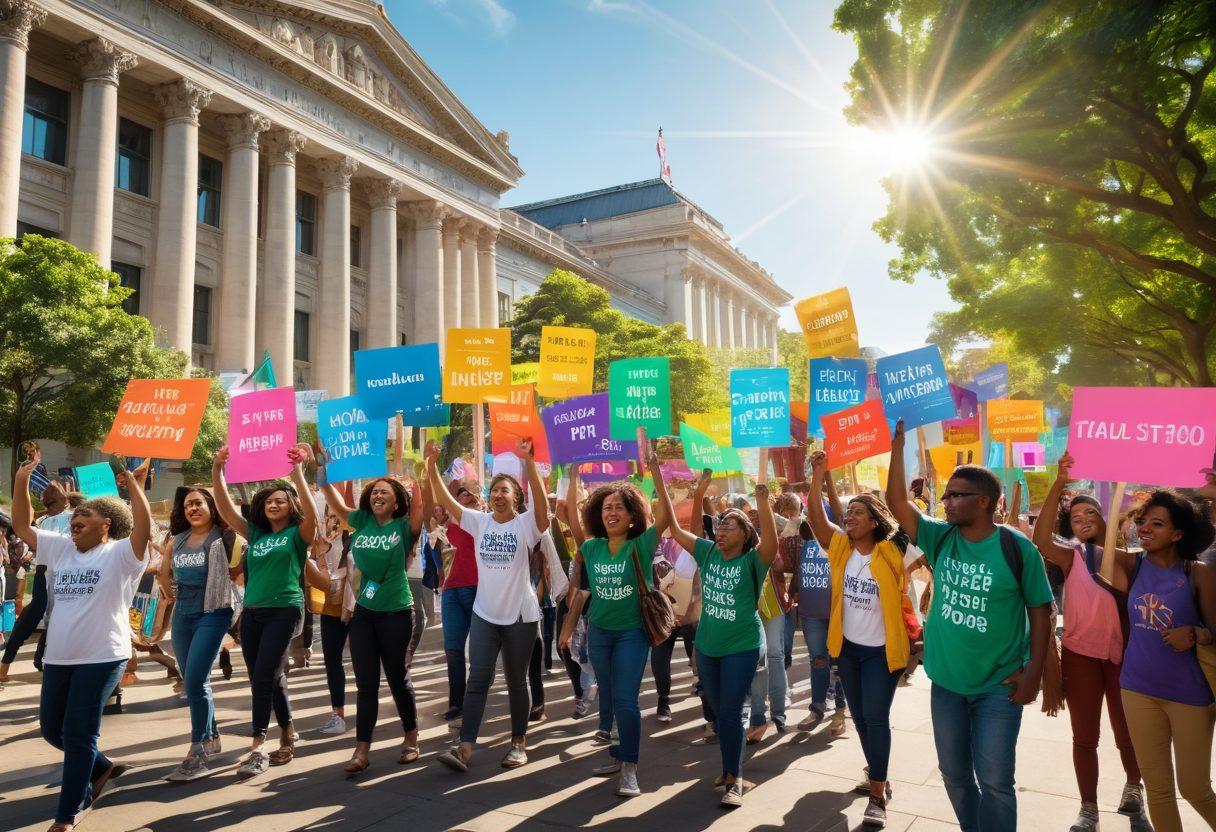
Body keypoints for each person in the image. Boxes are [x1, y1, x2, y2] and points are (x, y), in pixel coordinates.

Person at [887, 419, 1054, 832]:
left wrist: (1034, 673)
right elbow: (896, 505)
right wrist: (897, 448)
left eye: (956, 496)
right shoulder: (941, 537)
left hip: (999, 687)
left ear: (984, 502)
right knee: (955, 777)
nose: (946, 501)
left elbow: (1040, 611)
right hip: (945, 684)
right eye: (946, 494)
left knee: (996, 783)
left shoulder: (1018, 549)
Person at [12, 452, 151, 831]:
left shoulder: (122, 554)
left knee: (77, 734)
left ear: (106, 525)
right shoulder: (61, 548)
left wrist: (134, 487)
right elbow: (23, 525)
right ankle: (103, 768)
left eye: (81, 522)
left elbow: (141, 528)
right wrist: (23, 480)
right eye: (72, 522)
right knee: (51, 730)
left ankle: (68, 813)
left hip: (102, 656)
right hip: (59, 656)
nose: (73, 526)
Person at [1033, 453, 1149, 831]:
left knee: (1127, 733)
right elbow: (1040, 536)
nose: (1082, 521)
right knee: (1085, 738)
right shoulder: (1071, 559)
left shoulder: (1131, 561)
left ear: (1105, 519)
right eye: (1075, 517)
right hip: (1080, 657)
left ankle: (1135, 789)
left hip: (1124, 660)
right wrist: (1057, 483)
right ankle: (1089, 809)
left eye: (1090, 515)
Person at [652, 460, 777, 808]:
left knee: (733, 711)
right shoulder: (707, 553)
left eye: (730, 527)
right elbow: (677, 528)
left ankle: (735, 780)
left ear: (745, 536)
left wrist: (763, 504)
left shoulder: (753, 561)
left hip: (742, 646)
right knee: (722, 715)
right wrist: (657, 478)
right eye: (720, 526)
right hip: (708, 648)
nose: (720, 531)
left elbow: (772, 545)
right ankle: (727, 769)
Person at [430, 439, 560, 773]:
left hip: (520, 616)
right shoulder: (479, 521)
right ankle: (464, 747)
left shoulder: (527, 524)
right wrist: (430, 466)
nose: (499, 494)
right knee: (478, 680)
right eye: (494, 490)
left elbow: (542, 510)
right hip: (484, 614)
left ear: (516, 497)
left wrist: (529, 462)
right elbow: (446, 500)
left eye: (505, 489)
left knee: (517, 682)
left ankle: (518, 744)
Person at [806, 450, 913, 828]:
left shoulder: (892, 552)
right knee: (863, 721)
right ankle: (878, 774)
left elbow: (904, 510)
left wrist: (898, 451)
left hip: (882, 654)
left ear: (874, 521)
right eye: (847, 513)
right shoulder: (840, 548)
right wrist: (819, 475)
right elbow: (818, 518)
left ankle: (878, 796)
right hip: (848, 651)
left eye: (856, 513)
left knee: (876, 718)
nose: (848, 518)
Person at [1100, 489, 1216, 832]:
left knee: (1195, 789)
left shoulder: (1197, 573)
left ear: (1178, 534)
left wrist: (1195, 635)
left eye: (1157, 523)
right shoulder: (1131, 564)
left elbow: (1215, 629)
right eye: (1142, 522)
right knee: (1159, 791)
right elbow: (1102, 555)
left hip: (1190, 695)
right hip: (1137, 689)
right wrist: (1116, 495)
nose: (1145, 529)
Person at [211, 443, 320, 779]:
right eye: (270, 500)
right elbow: (228, 512)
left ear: (291, 507)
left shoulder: (298, 534)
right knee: (270, 677)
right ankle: (288, 731)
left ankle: (257, 745)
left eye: (281, 500)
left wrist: (297, 474)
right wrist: (217, 470)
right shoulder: (255, 533)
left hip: (284, 609)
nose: (274, 503)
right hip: (254, 613)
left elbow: (313, 517)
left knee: (262, 676)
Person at [561, 463, 664, 799]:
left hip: (633, 633)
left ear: (633, 515)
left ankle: (630, 770)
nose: (612, 512)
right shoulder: (590, 548)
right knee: (608, 694)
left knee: (625, 699)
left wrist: (655, 473)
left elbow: (663, 516)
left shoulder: (642, 545)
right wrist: (573, 477)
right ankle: (617, 757)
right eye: (607, 507)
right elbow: (572, 518)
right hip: (600, 634)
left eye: (620, 507)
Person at [319, 472, 424, 772]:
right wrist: (323, 476)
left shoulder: (404, 527)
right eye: (375, 492)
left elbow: (419, 511)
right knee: (366, 684)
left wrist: (425, 472)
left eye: (386, 494)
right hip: (364, 612)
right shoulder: (361, 521)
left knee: (396, 678)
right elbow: (336, 504)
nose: (378, 496)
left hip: (397, 612)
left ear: (396, 503)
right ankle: (361, 750)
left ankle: (411, 737)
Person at [158, 487, 241, 781]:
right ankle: (212, 736)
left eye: (198, 503)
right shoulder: (176, 541)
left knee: (193, 681)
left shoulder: (224, 536)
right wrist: (170, 593)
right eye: (187, 505)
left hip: (215, 611)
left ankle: (198, 752)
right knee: (195, 679)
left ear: (211, 506)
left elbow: (238, 571)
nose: (192, 508)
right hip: (183, 613)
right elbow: (163, 572)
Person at [1, 480, 72, 682]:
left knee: (46, 616)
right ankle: (9, 663)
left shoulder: (64, 518)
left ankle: (24, 659)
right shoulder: (51, 520)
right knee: (39, 615)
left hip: (55, 573)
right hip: (48, 572)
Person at [745, 488, 794, 743]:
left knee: (775, 654)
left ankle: (779, 713)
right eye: (752, 519)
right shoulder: (741, 544)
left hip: (774, 604)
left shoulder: (779, 539)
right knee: (758, 660)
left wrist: (766, 505)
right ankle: (757, 717)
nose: (756, 520)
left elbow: (796, 525)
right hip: (750, 609)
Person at [438, 484, 482, 722]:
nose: (466, 496)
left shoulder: (484, 520)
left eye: (471, 493)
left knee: (478, 650)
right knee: (453, 649)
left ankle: (475, 700)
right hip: (451, 592)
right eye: (461, 494)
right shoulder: (446, 525)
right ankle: (456, 702)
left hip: (477, 588)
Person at [312, 513, 353, 736]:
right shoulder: (318, 541)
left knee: (368, 662)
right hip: (331, 606)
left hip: (357, 604)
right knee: (332, 661)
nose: (332, 522)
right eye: (328, 517)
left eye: (337, 516)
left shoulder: (355, 536)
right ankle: (338, 715)